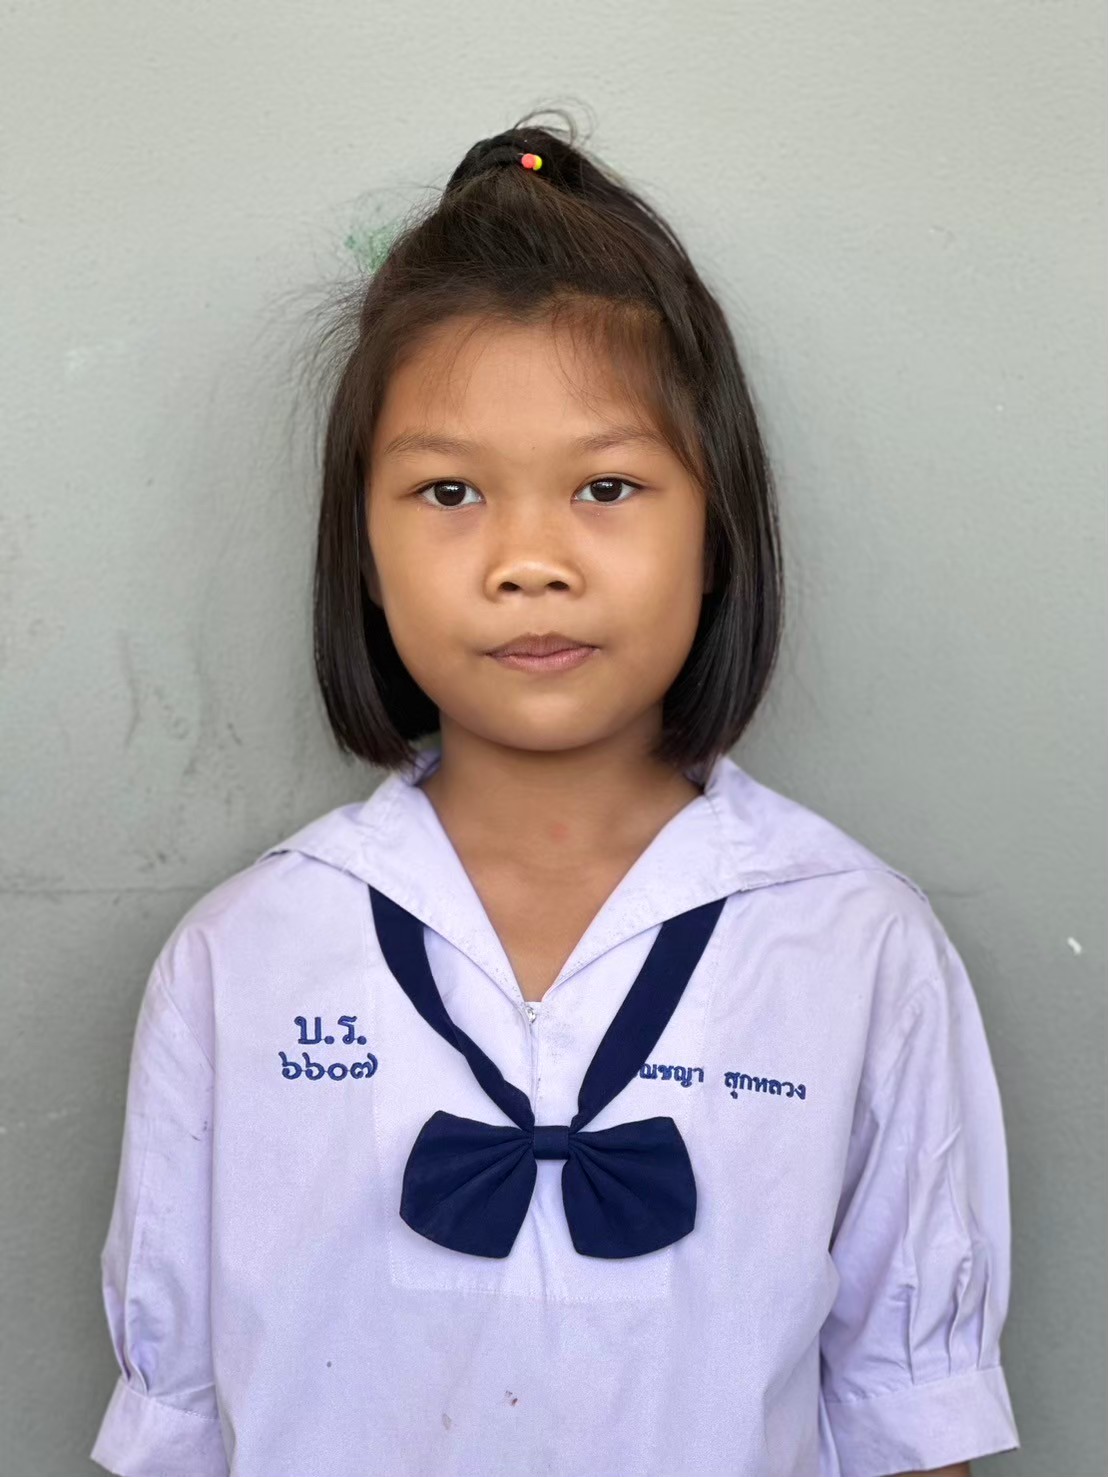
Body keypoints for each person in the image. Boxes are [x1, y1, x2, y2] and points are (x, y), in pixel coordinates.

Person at [89, 110, 1021, 1477]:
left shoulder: (858, 945)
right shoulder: (239, 963)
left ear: (718, 530)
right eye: (449, 491)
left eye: (608, 485)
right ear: (361, 551)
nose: (529, 558)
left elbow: (913, 1420)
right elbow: (174, 1430)